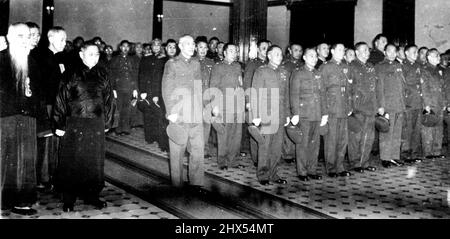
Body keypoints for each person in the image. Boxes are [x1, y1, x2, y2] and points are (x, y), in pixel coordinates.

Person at [53, 42, 113, 212]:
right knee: (72, 160)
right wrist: (59, 123)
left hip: (96, 123)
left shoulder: (103, 74)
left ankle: (92, 195)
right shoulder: (70, 73)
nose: (94, 58)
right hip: (75, 122)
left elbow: (109, 100)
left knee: (94, 161)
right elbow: (61, 98)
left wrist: (107, 122)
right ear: (81, 54)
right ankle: (69, 198)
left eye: (97, 54)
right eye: (90, 54)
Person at [1, 22, 40, 215]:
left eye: (28, 36)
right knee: (3, 160)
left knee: (26, 161)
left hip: (28, 119)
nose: (25, 41)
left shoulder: (32, 62)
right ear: (8, 38)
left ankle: (22, 201)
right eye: (20, 36)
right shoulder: (0, 60)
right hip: (4, 119)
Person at [162, 35, 205, 190]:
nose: (192, 46)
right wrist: (171, 112)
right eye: (188, 44)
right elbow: (166, 89)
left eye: (193, 44)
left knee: (198, 149)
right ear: (180, 46)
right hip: (178, 114)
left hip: (195, 112)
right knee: (177, 152)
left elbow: (200, 88)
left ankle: (196, 183)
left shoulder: (196, 64)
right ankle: (177, 185)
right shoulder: (171, 64)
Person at [33, 26, 67, 190]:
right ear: (51, 39)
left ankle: (53, 175)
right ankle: (42, 178)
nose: (64, 43)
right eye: (61, 39)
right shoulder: (40, 57)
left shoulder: (62, 58)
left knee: (56, 141)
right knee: (45, 141)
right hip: (46, 105)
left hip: (59, 105)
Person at [250, 45, 289, 185]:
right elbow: (255, 94)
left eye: (281, 54)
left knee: (277, 147)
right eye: (276, 54)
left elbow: (286, 96)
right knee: (265, 146)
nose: (279, 56)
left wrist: (287, 115)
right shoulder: (261, 71)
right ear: (269, 55)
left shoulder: (283, 72)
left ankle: (273, 173)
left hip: (279, 115)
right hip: (266, 114)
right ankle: (263, 175)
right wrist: (256, 115)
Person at [290, 48, 324, 181]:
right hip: (304, 114)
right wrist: (295, 113)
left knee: (314, 145)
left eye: (316, 56)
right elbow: (294, 95)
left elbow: (322, 95)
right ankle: (302, 172)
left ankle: (312, 170)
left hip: (316, 113)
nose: (314, 58)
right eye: (311, 56)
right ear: (304, 57)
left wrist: (324, 113)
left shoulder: (318, 73)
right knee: (303, 144)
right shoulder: (298, 73)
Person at [319, 43, 352, 178]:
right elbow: (321, 91)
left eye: (343, 50)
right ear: (332, 51)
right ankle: (331, 167)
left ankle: (340, 166)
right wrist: (324, 111)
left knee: (343, 140)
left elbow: (349, 89)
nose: (342, 52)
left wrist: (350, 106)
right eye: (339, 49)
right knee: (331, 140)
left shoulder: (345, 67)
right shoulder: (325, 67)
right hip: (332, 108)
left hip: (343, 108)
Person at [210, 43, 244, 170]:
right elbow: (213, 87)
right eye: (231, 51)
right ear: (224, 53)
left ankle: (233, 161)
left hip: (237, 106)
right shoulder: (218, 67)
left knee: (236, 135)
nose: (234, 53)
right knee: (223, 134)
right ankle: (222, 161)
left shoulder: (237, 66)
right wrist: (215, 106)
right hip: (223, 105)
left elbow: (240, 84)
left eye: (235, 51)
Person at [347, 42, 378, 173]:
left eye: (368, 50)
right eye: (364, 50)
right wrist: (350, 107)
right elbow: (348, 89)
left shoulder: (370, 66)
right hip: (357, 107)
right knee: (356, 136)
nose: (367, 53)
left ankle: (364, 162)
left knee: (368, 137)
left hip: (370, 106)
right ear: (357, 52)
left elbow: (374, 88)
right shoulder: (351, 66)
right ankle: (355, 163)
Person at [375, 44, 407, 168]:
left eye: (395, 51)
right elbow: (379, 88)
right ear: (384, 52)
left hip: (399, 104)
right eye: (390, 51)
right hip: (388, 104)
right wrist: (381, 106)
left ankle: (394, 156)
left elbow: (403, 86)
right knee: (386, 132)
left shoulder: (399, 66)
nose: (393, 54)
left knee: (397, 133)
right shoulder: (380, 67)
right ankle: (385, 158)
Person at [137, 38, 169, 152]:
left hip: (159, 91)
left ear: (161, 46)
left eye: (158, 45)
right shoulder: (145, 58)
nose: (156, 47)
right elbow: (141, 75)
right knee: (148, 114)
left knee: (160, 115)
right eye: (154, 45)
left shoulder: (164, 59)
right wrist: (142, 91)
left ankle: (161, 140)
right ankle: (150, 137)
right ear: (151, 46)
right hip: (147, 91)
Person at [243, 39, 270, 164]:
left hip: (267, 102)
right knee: (256, 130)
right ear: (258, 49)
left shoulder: (270, 64)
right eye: (264, 48)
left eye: (268, 48)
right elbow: (247, 83)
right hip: (255, 101)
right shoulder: (252, 64)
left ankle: (264, 156)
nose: (266, 51)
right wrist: (248, 102)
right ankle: (256, 158)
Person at [108, 40, 140, 135]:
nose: (125, 48)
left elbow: (135, 74)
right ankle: (118, 128)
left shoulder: (133, 59)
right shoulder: (115, 59)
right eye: (123, 46)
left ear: (129, 48)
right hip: (118, 88)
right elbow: (111, 75)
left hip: (129, 87)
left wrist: (135, 88)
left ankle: (126, 128)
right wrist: (113, 89)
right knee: (119, 108)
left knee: (128, 108)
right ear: (120, 47)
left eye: (127, 46)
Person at [421, 48, 446, 159]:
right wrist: (427, 104)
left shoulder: (438, 70)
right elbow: (424, 88)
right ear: (429, 57)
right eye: (436, 56)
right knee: (429, 128)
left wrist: (444, 102)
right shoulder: (425, 70)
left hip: (439, 103)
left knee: (439, 128)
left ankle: (437, 151)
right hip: (431, 104)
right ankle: (428, 152)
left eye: (439, 56)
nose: (439, 58)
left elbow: (442, 88)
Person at [400, 44, 424, 163]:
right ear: (406, 53)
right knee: (407, 130)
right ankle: (405, 154)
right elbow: (403, 85)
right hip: (408, 103)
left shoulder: (418, 65)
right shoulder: (403, 66)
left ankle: (414, 154)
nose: (416, 54)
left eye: (417, 52)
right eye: (413, 52)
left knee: (416, 130)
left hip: (418, 103)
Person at [280, 43, 303, 163]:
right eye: (296, 50)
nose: (298, 53)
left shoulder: (302, 65)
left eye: (300, 50)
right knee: (289, 126)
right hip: (288, 97)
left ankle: (295, 153)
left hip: (300, 99)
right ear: (289, 50)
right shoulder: (285, 65)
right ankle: (287, 154)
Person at [195, 39, 215, 158]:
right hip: (196, 97)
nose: (203, 50)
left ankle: (204, 149)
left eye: (205, 48)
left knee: (207, 124)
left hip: (208, 97)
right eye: (200, 47)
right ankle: (194, 148)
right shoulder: (192, 62)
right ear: (196, 48)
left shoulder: (211, 62)